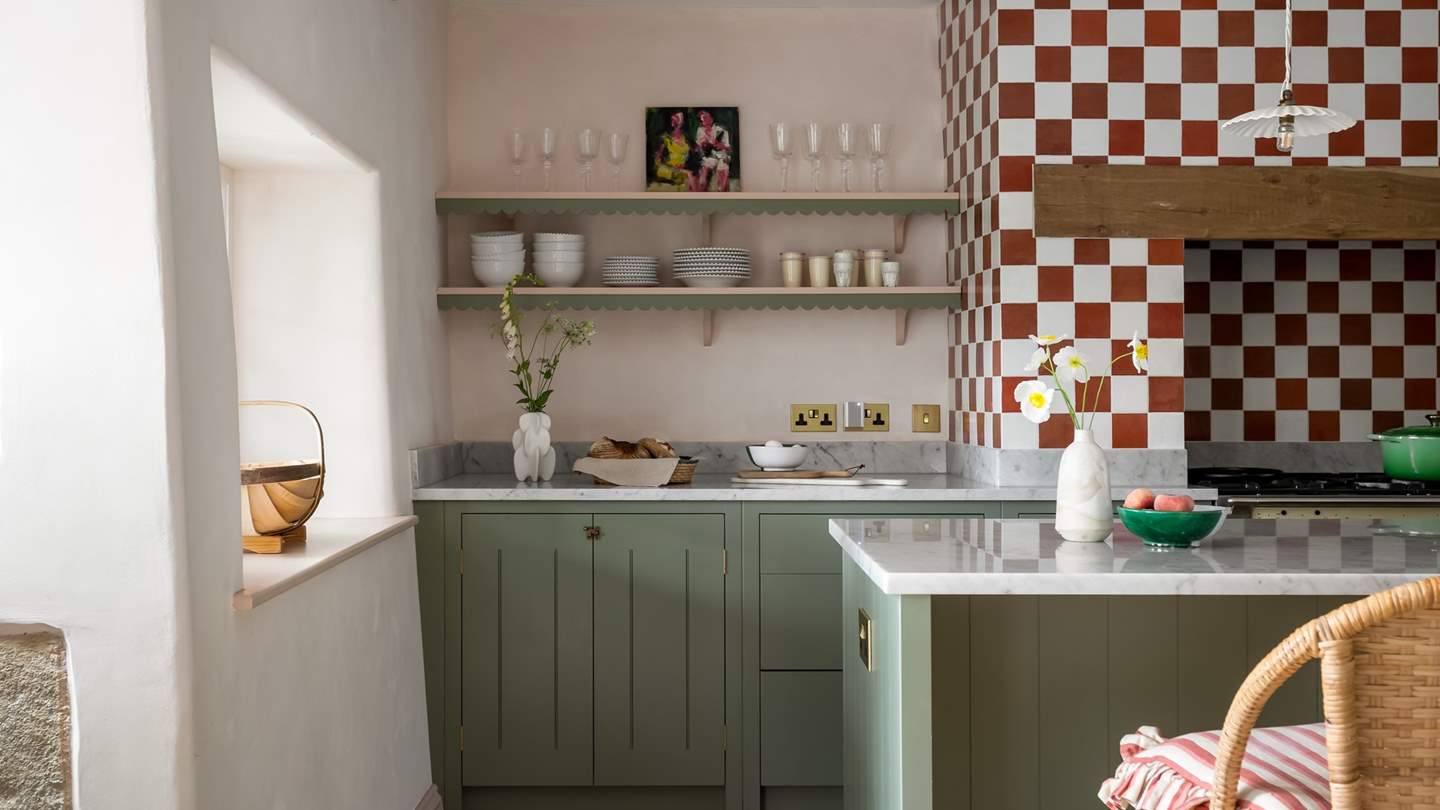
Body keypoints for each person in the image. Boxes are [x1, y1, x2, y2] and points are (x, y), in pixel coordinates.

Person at [650, 111, 693, 192]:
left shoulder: (686, 138)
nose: (672, 122)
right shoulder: (665, 138)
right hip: (667, 168)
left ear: (681, 122)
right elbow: (657, 160)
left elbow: (691, 154)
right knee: (688, 175)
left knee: (690, 175)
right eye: (671, 120)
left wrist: (684, 165)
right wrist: (671, 166)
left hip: (682, 168)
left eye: (675, 120)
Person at [693, 110, 733, 192]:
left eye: (705, 117)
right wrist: (701, 147)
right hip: (707, 156)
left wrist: (722, 146)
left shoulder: (721, 130)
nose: (703, 119)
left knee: (722, 167)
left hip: (721, 155)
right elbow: (697, 147)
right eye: (702, 117)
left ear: (711, 118)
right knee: (704, 171)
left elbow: (729, 149)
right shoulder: (700, 130)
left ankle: (722, 192)